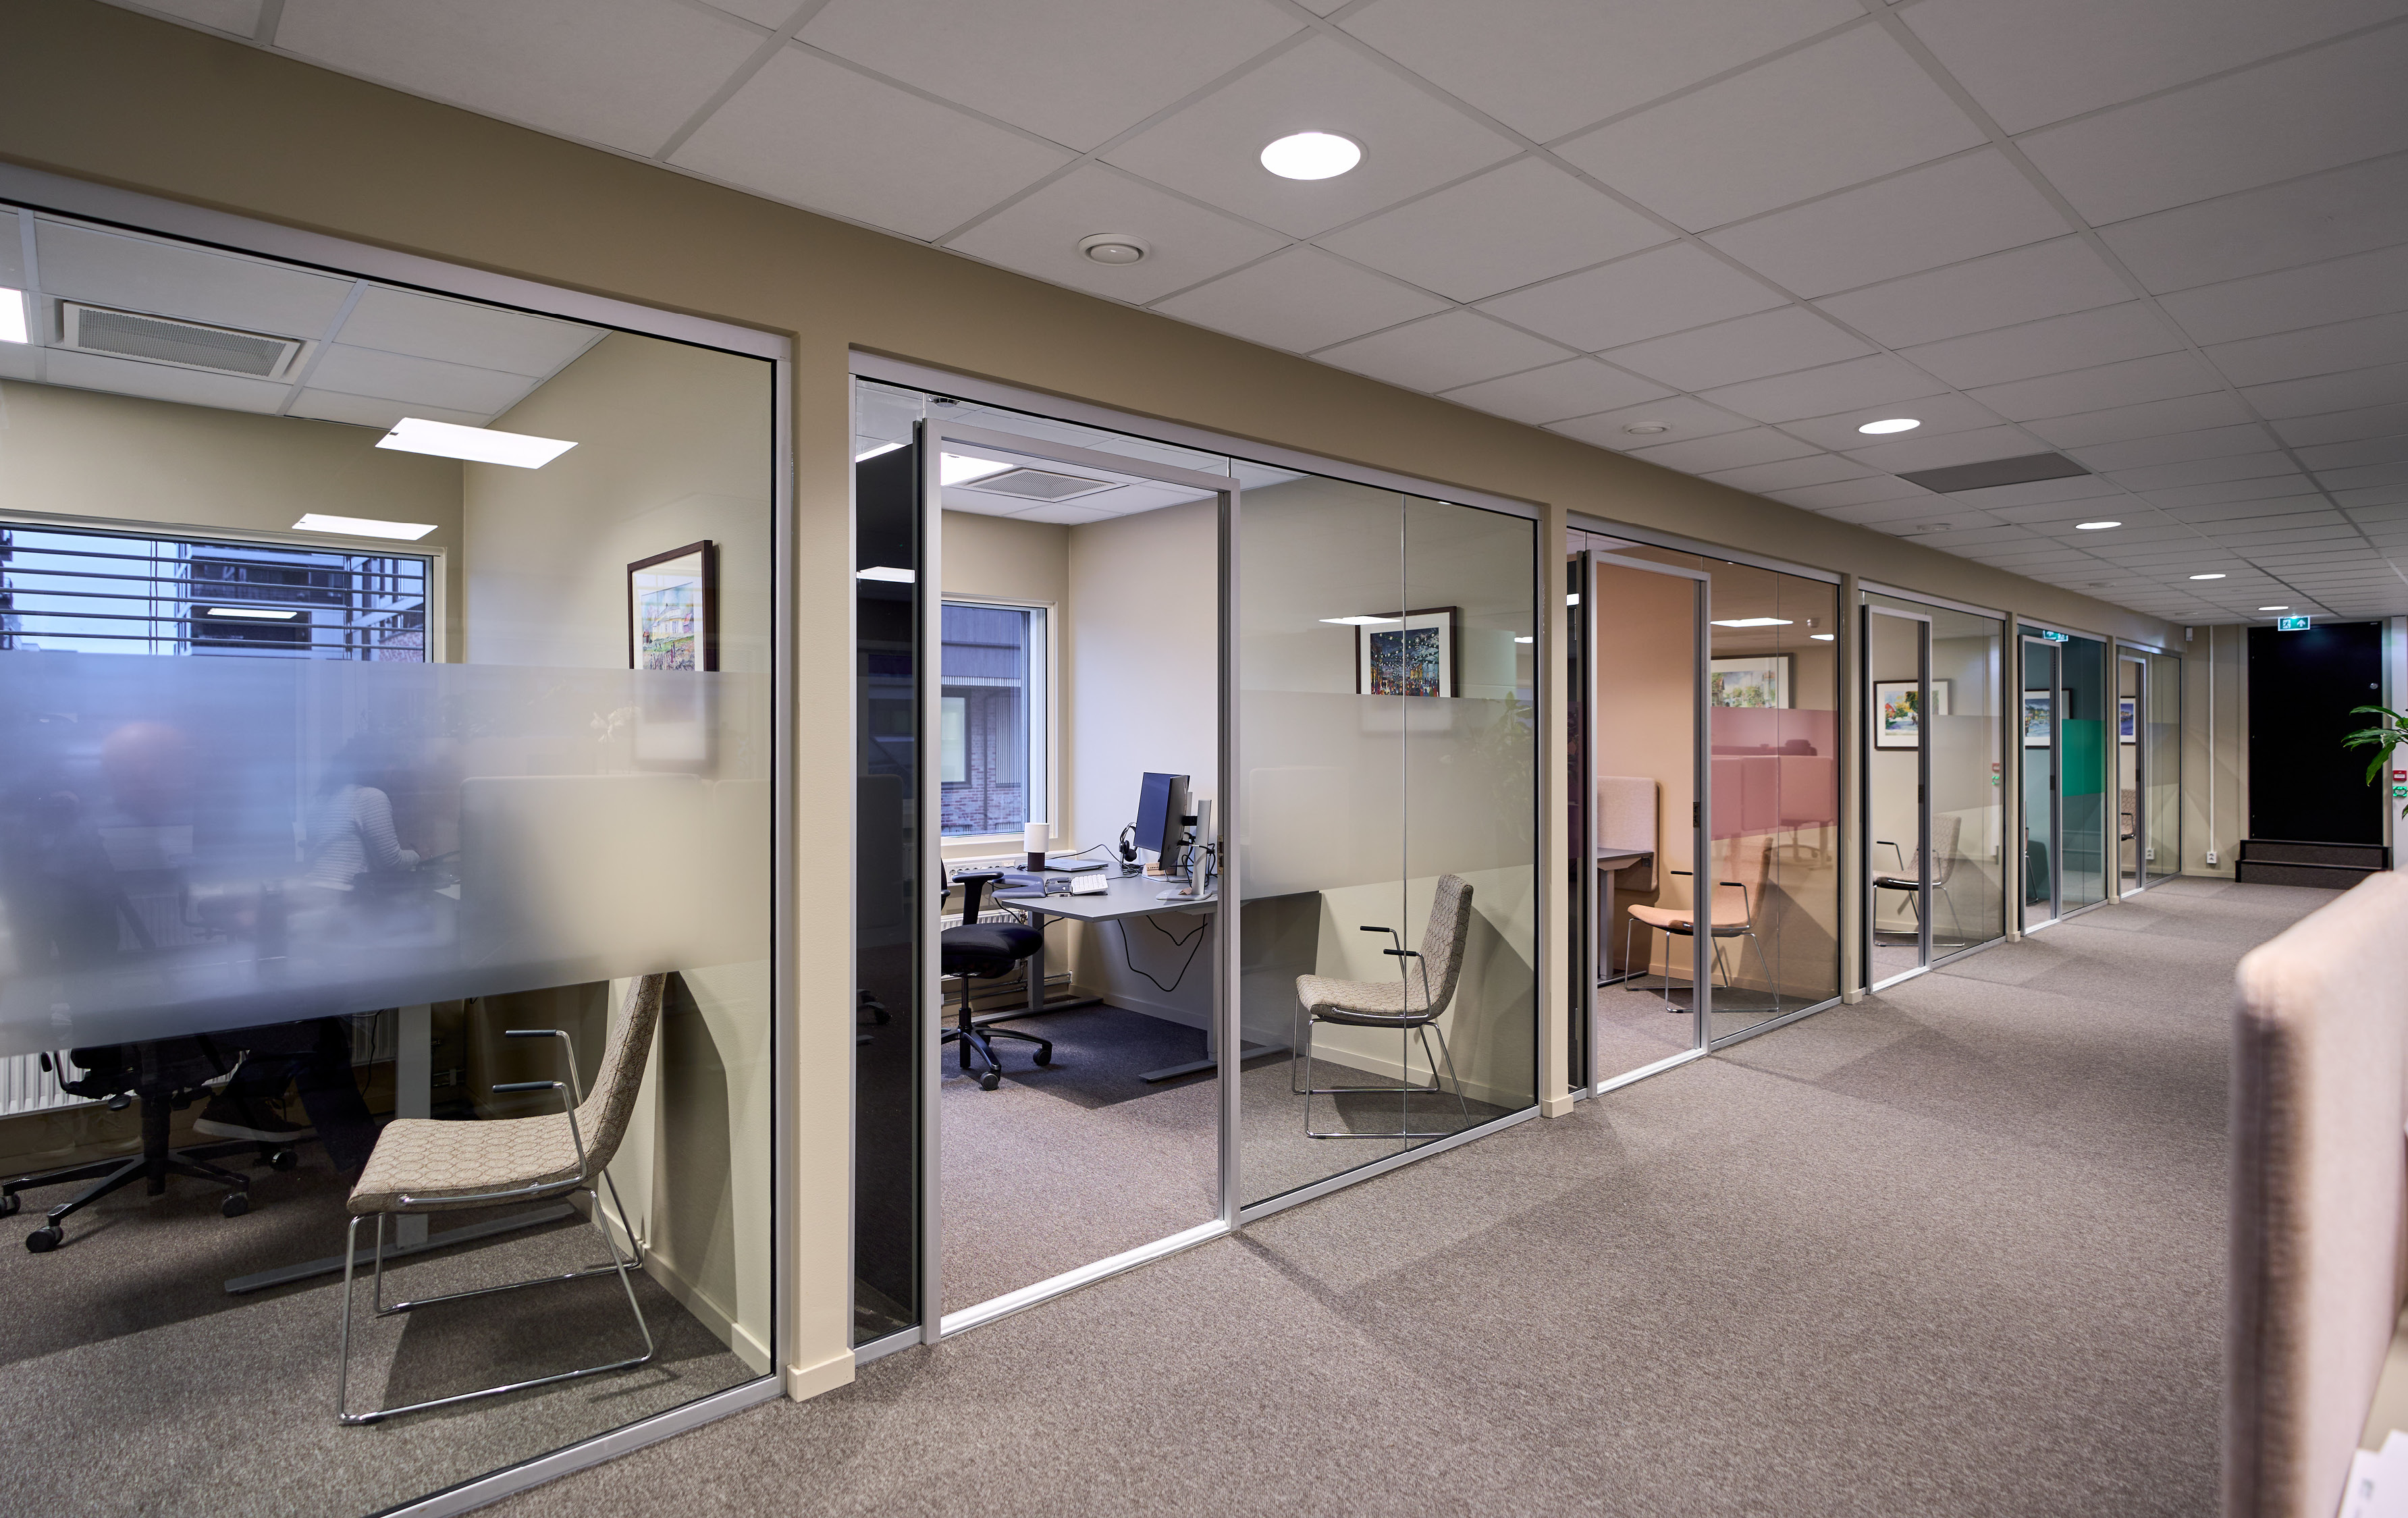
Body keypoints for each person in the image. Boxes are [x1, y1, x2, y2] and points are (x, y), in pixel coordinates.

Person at [190, 732, 417, 1176]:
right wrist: (422, 856)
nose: (401, 772)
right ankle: (364, 1161)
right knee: (319, 1036)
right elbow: (390, 861)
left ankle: (243, 1104)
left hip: (301, 916)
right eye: (397, 763)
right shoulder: (371, 796)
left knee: (314, 1029)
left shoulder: (326, 797)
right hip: (336, 916)